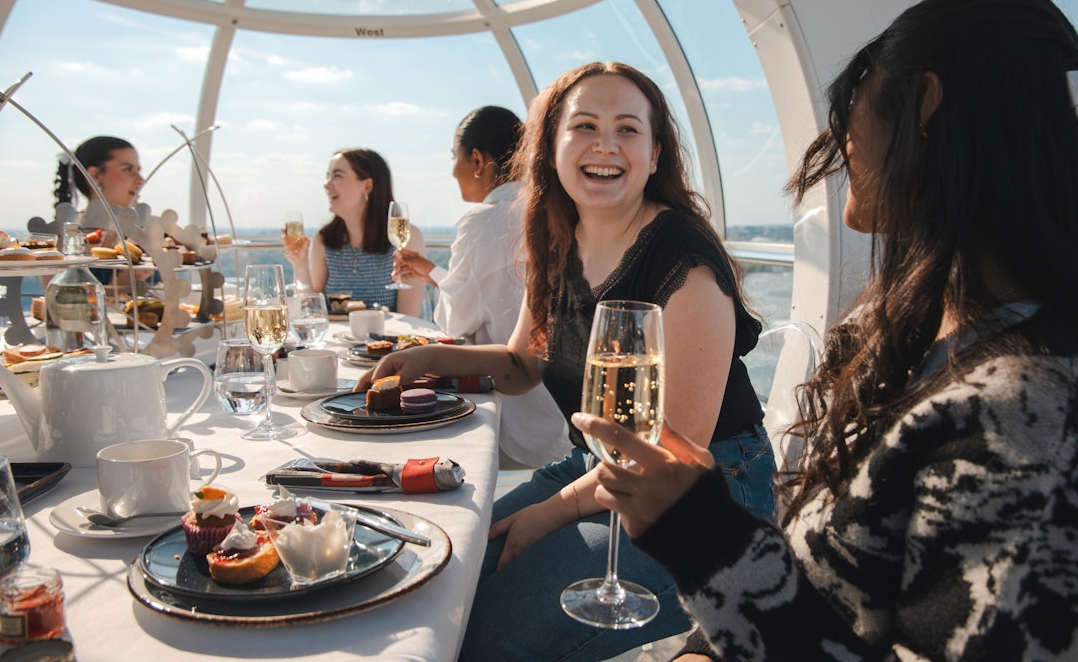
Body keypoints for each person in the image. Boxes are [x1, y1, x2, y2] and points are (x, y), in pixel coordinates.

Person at [575, 0, 1078, 661]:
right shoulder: (913, 333)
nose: (841, 139)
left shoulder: (1034, 422)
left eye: (854, 98)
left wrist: (705, 540)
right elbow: (828, 586)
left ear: (922, 103)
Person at [357, 61, 776, 661]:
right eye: (584, 126)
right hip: (595, 467)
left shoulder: (685, 257)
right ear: (550, 148)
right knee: (438, 573)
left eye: (628, 129)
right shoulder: (557, 240)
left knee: (485, 635)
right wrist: (427, 359)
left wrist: (549, 513)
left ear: (655, 154)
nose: (606, 144)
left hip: (706, 497)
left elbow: (672, 453)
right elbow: (522, 364)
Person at [392, 105, 569, 469]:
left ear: (476, 159)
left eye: (453, 158)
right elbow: (484, 290)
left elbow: (454, 323)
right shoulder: (548, 213)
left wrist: (437, 282)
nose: (451, 171)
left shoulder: (485, 221)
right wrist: (433, 273)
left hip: (511, 416)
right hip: (557, 412)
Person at [283, 147, 426, 316]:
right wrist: (300, 265)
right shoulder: (324, 240)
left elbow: (409, 320)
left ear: (367, 186)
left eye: (337, 175)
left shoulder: (407, 238)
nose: (326, 184)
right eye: (327, 176)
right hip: (334, 341)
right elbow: (309, 312)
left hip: (385, 341)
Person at [52, 135, 143, 227]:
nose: (140, 180)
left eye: (138, 170)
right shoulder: (70, 235)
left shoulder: (145, 233)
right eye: (127, 169)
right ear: (95, 175)